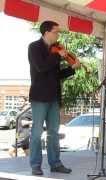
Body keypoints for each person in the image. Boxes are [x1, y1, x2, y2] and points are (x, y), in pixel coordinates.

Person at [28, 20, 80, 175]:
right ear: (46, 32)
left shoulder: (54, 49)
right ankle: (36, 165)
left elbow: (56, 75)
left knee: (54, 133)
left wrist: (71, 69)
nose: (58, 35)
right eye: (56, 32)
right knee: (37, 133)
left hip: (54, 97)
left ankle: (55, 163)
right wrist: (58, 55)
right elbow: (41, 67)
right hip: (39, 97)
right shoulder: (34, 47)